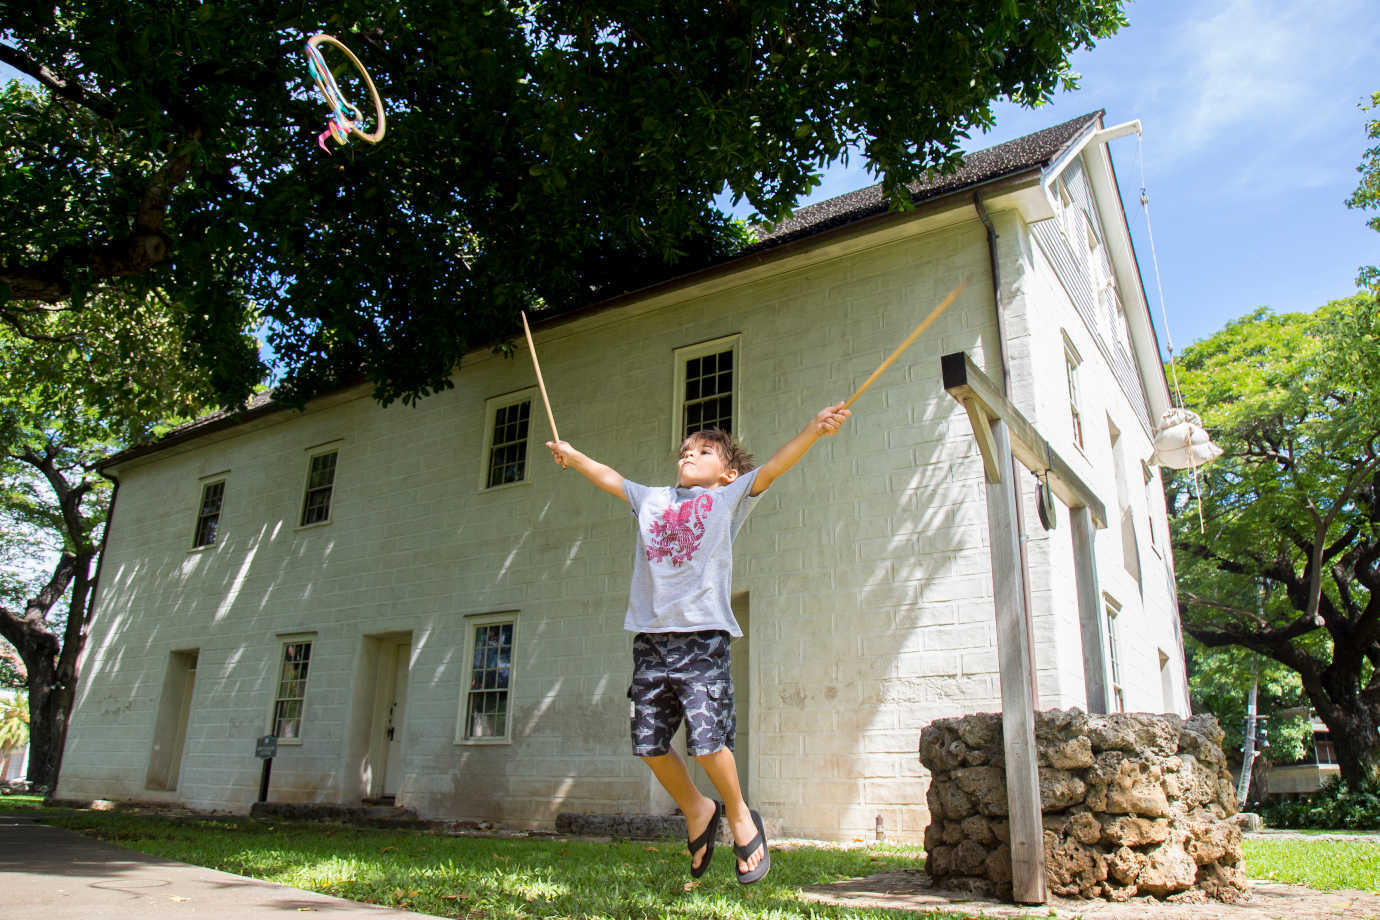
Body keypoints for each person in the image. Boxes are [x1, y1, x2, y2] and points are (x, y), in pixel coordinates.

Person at [546, 402, 851, 883]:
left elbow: (774, 466)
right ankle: (697, 809)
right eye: (685, 450)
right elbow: (609, 477)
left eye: (703, 451)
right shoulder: (651, 499)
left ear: (728, 473)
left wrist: (814, 429)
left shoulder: (727, 500)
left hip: (702, 638)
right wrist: (574, 456)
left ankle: (739, 812)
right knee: (649, 744)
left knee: (709, 744)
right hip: (650, 640)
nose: (688, 454)